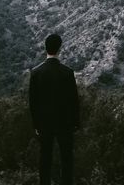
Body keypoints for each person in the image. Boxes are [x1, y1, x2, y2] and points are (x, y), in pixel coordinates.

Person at [28, 33, 80, 185]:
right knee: (67, 159)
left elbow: (33, 103)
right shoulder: (68, 72)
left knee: (45, 158)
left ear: (45, 48)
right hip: (65, 123)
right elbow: (74, 101)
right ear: (60, 49)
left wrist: (36, 125)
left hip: (44, 124)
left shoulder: (36, 73)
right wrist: (76, 123)